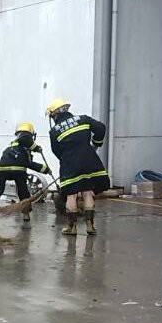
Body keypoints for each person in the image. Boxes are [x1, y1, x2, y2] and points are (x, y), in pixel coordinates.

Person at [46, 99, 110, 236]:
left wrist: (66, 160)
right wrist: (96, 143)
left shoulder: (54, 131)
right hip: (89, 160)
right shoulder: (83, 119)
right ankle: (90, 226)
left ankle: (71, 227)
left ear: (55, 114)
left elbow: (56, 151)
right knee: (87, 191)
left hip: (70, 164)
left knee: (71, 195)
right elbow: (101, 127)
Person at [0, 122, 50, 222]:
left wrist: (45, 169)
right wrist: (36, 148)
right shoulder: (25, 138)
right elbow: (26, 141)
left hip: (2, 170)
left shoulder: (11, 146)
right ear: (30, 133)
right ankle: (26, 214)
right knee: (23, 192)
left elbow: (28, 163)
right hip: (18, 171)